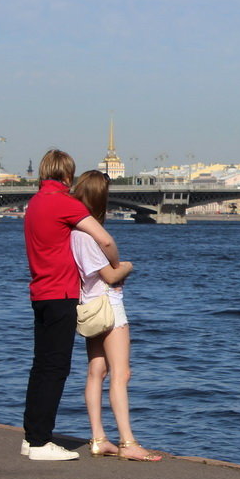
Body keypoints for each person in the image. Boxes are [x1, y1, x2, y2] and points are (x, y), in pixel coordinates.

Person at [21, 150, 121, 461]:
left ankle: (31, 435)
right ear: (68, 175)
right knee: (56, 368)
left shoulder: (35, 203)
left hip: (40, 292)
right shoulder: (65, 203)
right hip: (61, 294)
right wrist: (117, 264)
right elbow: (103, 239)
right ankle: (40, 443)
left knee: (40, 367)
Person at [70, 170, 162, 462]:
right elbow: (110, 275)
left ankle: (98, 438)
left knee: (96, 372)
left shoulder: (72, 233)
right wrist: (128, 266)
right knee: (121, 374)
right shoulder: (90, 234)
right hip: (109, 307)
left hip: (88, 306)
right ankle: (128, 442)